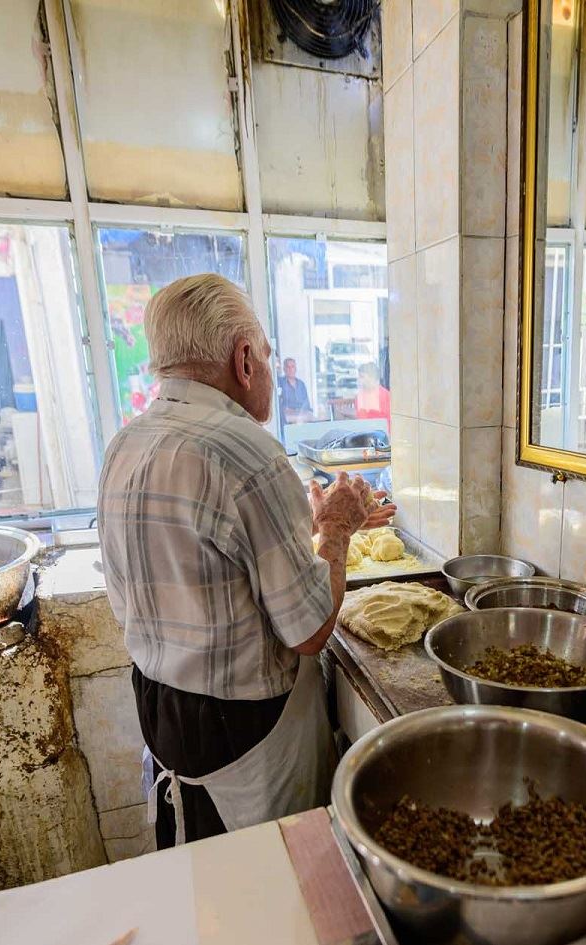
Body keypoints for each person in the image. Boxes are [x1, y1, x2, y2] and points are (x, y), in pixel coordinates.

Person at [97, 274, 395, 849]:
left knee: (207, 882)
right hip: (245, 727)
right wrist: (334, 531)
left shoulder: (127, 443)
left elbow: (201, 558)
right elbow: (309, 631)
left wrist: (306, 523)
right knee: (274, 883)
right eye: (264, 349)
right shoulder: (249, 453)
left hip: (162, 708)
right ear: (244, 359)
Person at [277, 357, 313, 422]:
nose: (290, 369)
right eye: (288, 367)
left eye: (292, 367)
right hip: (287, 414)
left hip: (301, 413)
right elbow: (278, 403)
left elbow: (306, 403)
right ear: (284, 369)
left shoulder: (301, 384)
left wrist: (302, 411)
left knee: (311, 416)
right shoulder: (280, 382)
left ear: (295, 369)